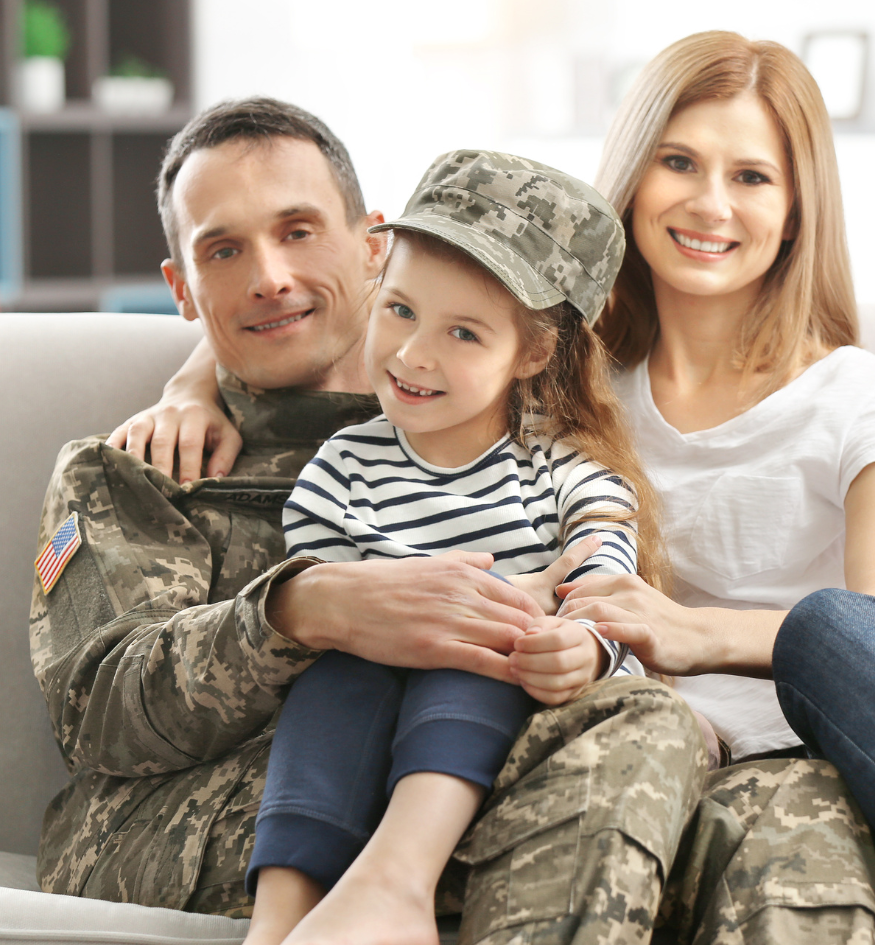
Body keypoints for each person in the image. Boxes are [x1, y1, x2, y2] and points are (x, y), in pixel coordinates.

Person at [118, 35, 875, 945]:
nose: (709, 203)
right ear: (633, 180)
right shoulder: (562, 382)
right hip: (611, 731)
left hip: (812, 736)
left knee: (839, 645)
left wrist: (691, 631)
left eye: (752, 177)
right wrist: (193, 377)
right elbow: (377, 332)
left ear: (796, 213)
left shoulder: (869, 403)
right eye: (680, 163)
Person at [62, 95, 875, 945]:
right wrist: (304, 609)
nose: (268, 274)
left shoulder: (521, 418)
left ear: (370, 245)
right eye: (222, 250)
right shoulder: (134, 468)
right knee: (644, 728)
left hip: (514, 767)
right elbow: (96, 710)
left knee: (795, 803)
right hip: (258, 818)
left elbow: (594, 537)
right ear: (182, 288)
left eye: (300, 230)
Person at [244, 150, 663, 945]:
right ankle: (281, 919)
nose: (412, 354)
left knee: (479, 644)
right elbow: (332, 589)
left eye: (463, 332)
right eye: (398, 309)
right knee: (336, 678)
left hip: (493, 694)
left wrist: (581, 641)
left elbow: (609, 580)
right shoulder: (341, 468)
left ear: (533, 354)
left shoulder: (563, 471)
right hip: (362, 691)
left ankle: (399, 882)